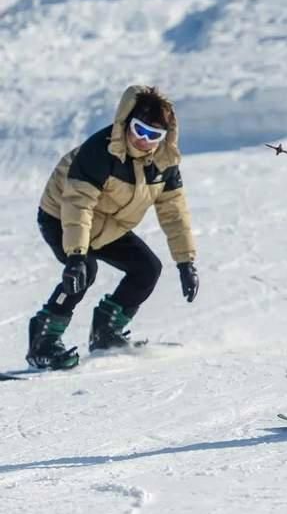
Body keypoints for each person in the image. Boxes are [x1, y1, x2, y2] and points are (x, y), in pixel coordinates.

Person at [27, 85, 199, 370]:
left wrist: (185, 262)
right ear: (126, 121)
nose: (144, 140)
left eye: (153, 135)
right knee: (84, 271)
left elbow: (174, 212)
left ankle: (106, 332)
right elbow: (77, 205)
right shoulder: (100, 151)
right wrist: (76, 256)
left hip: (107, 222)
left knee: (147, 269)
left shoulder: (165, 162)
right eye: (139, 130)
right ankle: (42, 340)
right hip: (61, 215)